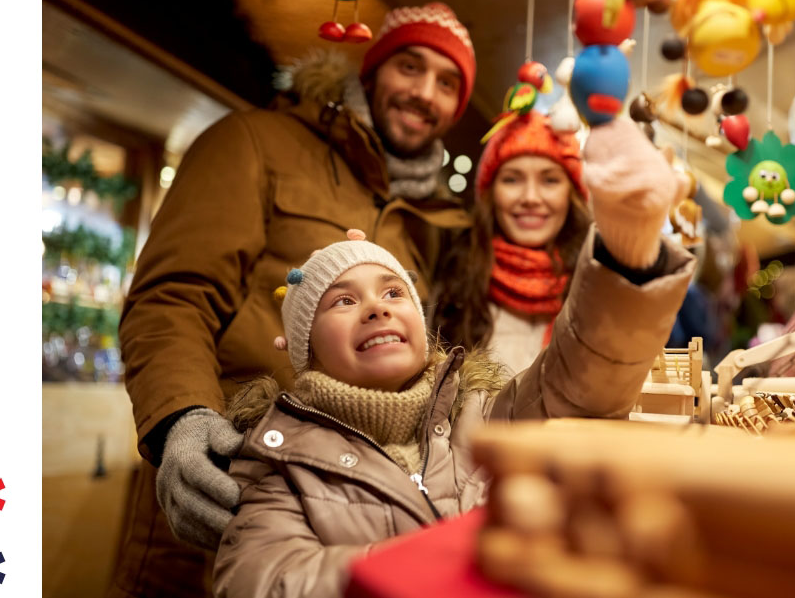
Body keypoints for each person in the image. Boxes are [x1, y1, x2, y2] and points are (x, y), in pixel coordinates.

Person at [212, 117, 695, 598]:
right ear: (305, 349)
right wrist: (438, 562)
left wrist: (626, 250)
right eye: (343, 300)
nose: (377, 307)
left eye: (394, 292)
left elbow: (576, 382)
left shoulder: (482, 415)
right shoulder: (280, 460)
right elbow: (261, 580)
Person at [109, 3, 475, 598]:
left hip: (350, 519)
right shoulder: (254, 141)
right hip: (228, 480)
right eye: (410, 66)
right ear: (372, 70)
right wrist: (182, 418)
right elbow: (173, 297)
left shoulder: (426, 221)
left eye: (448, 82)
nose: (425, 93)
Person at [431, 112, 591, 375]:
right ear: (491, 193)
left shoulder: (596, 282)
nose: (530, 197)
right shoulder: (456, 279)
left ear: (571, 193)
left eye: (550, 180)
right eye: (512, 179)